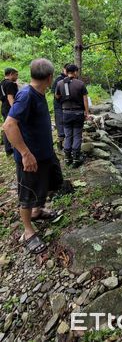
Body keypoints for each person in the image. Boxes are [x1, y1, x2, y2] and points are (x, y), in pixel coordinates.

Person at [3, 58, 59, 255]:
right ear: (50, 77)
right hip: (30, 157)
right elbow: (9, 125)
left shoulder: (38, 91)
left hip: (43, 154)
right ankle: (28, 231)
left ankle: (37, 211)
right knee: (26, 194)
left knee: (43, 185)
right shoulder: (26, 95)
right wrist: (25, 154)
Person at [55, 64, 90, 168]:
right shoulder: (80, 84)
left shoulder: (60, 83)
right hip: (78, 113)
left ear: (66, 72)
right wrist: (86, 112)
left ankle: (67, 158)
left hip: (65, 113)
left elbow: (57, 96)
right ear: (75, 72)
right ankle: (75, 159)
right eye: (77, 71)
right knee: (77, 135)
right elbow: (85, 99)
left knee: (68, 135)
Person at [0, 67, 19, 155]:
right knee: (14, 127)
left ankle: (8, 149)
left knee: (6, 127)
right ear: (11, 74)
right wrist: (15, 110)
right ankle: (16, 147)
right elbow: (10, 97)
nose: (17, 77)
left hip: (4, 107)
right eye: (16, 74)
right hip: (10, 108)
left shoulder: (1, 83)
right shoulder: (10, 84)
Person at [51, 63, 69, 150]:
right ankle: (60, 144)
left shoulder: (71, 79)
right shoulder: (59, 79)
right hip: (59, 105)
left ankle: (66, 144)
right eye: (67, 70)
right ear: (63, 69)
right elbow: (55, 93)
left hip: (68, 105)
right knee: (60, 123)